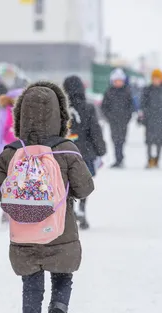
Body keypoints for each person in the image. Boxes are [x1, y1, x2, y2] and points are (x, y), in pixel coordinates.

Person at [0, 81, 94, 313]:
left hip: (24, 236)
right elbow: (86, 188)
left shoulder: (12, 151)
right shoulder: (66, 150)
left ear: (20, 115)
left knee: (31, 288)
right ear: (59, 115)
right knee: (63, 281)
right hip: (61, 233)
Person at [63, 75, 106, 230]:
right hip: (84, 153)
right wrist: (101, 149)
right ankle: (81, 206)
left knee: (66, 182)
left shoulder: (61, 107)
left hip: (64, 151)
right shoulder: (88, 108)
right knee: (83, 182)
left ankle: (70, 209)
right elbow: (95, 130)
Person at [0, 87, 23, 223]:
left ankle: (8, 210)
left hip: (8, 150)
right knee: (18, 182)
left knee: (8, 182)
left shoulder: (5, 112)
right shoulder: (23, 112)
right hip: (19, 151)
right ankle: (12, 209)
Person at [139, 69, 162, 168]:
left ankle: (157, 159)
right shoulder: (148, 89)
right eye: (154, 78)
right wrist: (145, 114)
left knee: (159, 141)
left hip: (160, 120)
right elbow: (143, 103)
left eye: (158, 78)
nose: (156, 80)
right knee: (149, 141)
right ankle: (150, 160)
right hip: (149, 120)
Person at [101, 68, 135, 168]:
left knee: (122, 139)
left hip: (123, 120)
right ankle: (118, 158)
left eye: (120, 80)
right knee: (115, 139)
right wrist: (109, 117)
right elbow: (104, 106)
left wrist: (127, 117)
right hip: (113, 121)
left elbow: (131, 106)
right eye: (116, 80)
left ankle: (120, 158)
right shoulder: (109, 92)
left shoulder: (127, 92)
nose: (118, 82)